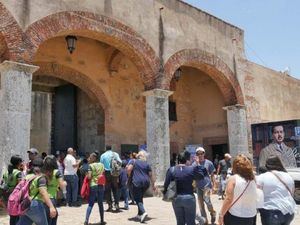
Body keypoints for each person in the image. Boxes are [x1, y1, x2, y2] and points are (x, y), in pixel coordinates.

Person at [163, 151, 207, 225]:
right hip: (189, 198)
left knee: (180, 222)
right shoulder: (191, 169)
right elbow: (202, 175)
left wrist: (166, 194)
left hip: (176, 198)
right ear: (187, 160)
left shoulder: (171, 170)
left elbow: (166, 185)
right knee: (191, 222)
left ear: (177, 160)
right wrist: (198, 163)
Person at [257, 155, 296, 225]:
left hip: (271, 210)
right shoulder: (288, 176)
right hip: (288, 212)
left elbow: (258, 196)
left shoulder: (262, 177)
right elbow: (292, 194)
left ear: (267, 165)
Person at [218, 154, 257, 225]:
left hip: (236, 216)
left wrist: (221, 214)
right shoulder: (253, 179)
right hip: (251, 215)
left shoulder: (233, 179)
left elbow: (228, 199)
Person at [17, 158, 57, 225]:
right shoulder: (41, 178)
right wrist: (51, 206)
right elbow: (43, 192)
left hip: (25, 204)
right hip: (36, 204)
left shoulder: (28, 176)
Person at [127, 151, 156, 223]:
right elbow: (151, 175)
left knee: (137, 199)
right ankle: (139, 214)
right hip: (146, 183)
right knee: (140, 197)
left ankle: (143, 212)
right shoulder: (147, 164)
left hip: (137, 182)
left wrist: (129, 175)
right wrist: (153, 184)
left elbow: (129, 169)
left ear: (138, 156)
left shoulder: (133, 161)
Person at [193, 147, 216, 225]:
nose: (200, 155)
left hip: (207, 186)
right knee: (201, 205)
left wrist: (214, 185)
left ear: (204, 154)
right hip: (198, 187)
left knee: (207, 202)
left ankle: (212, 213)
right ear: (196, 155)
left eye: (201, 153)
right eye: (198, 154)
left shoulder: (208, 163)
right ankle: (205, 221)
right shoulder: (194, 164)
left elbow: (212, 174)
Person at [43, 155, 67, 225]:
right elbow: (62, 186)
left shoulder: (43, 172)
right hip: (51, 199)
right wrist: (65, 183)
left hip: (43, 198)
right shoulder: (56, 172)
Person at [1, 155, 24, 225]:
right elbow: (20, 186)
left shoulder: (6, 171)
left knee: (12, 215)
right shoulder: (18, 173)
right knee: (17, 216)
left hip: (6, 196)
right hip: (15, 196)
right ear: (18, 163)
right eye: (21, 161)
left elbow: (2, 182)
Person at [84, 153, 106, 225]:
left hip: (93, 185)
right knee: (100, 204)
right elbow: (103, 174)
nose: (89, 159)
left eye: (90, 157)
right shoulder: (102, 165)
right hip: (101, 185)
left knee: (90, 203)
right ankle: (102, 220)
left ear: (94, 158)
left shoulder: (91, 166)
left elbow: (89, 177)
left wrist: (86, 174)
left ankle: (86, 221)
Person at [100, 146, 122, 211]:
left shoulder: (103, 155)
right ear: (111, 149)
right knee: (115, 189)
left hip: (107, 173)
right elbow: (120, 162)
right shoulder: (115, 154)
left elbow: (101, 165)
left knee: (107, 190)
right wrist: (117, 169)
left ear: (105, 149)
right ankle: (117, 204)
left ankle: (110, 205)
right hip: (114, 173)